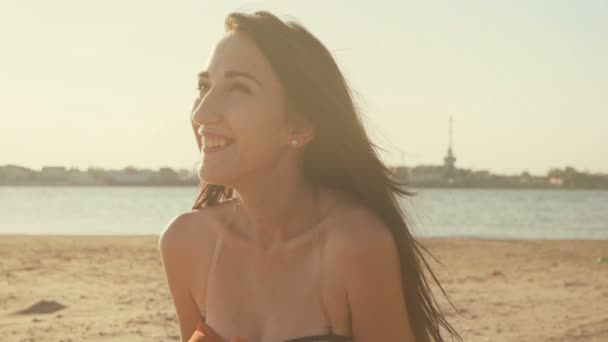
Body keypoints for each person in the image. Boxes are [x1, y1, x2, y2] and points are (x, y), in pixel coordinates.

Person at [159, 10, 462, 342]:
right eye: (204, 86)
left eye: (238, 89)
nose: (201, 113)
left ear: (298, 128)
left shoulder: (355, 245)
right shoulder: (185, 243)